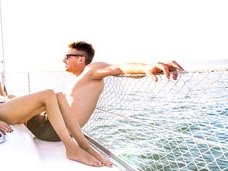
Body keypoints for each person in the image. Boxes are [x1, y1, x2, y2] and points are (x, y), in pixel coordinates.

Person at [25, 41, 185, 142]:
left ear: (81, 59)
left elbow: (118, 68)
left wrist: (146, 67)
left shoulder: (91, 70)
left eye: (68, 56)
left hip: (54, 132)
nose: (63, 60)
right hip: (54, 127)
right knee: (15, 99)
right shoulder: (76, 79)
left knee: (13, 105)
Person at [0, 67, 112, 167]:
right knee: (48, 93)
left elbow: (7, 99)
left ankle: (84, 145)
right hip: (1, 110)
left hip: (9, 107)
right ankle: (71, 148)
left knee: (58, 96)